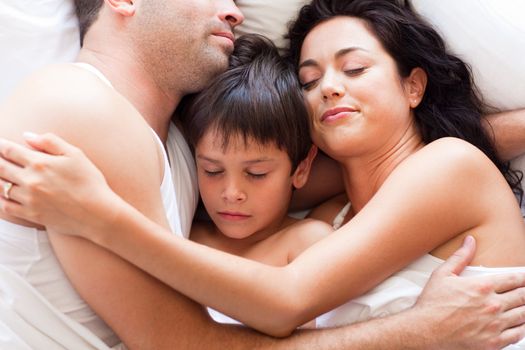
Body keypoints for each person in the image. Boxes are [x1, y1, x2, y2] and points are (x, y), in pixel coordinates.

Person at [1, 1, 525, 349]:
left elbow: (283, 299)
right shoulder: (336, 211)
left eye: (356, 69)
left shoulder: (448, 164)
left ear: (414, 87)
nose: (330, 89)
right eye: (309, 79)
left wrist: (99, 215)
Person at [183, 34, 331, 325]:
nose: (232, 193)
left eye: (256, 174)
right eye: (212, 170)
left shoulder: (307, 243)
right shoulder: (182, 233)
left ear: (301, 169)